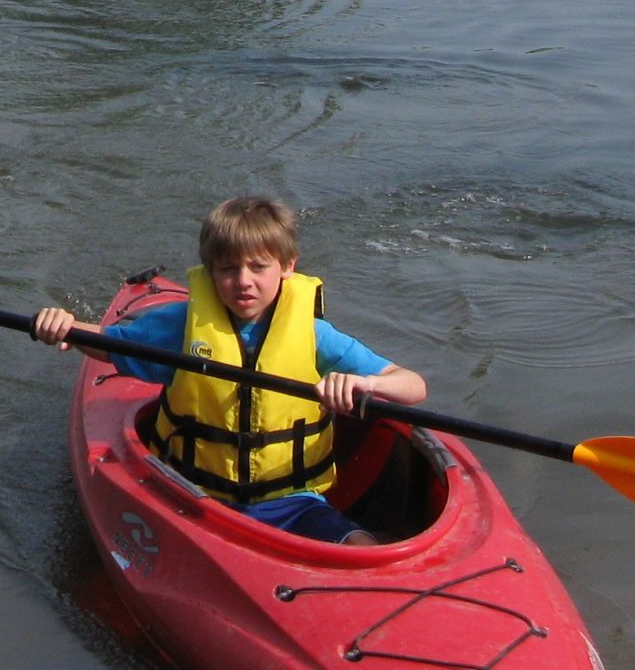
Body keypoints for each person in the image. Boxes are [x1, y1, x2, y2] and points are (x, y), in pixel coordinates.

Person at [30, 195, 427, 546]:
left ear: (288, 266)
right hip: (193, 495)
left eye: (258, 267)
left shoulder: (314, 335)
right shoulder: (181, 326)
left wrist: (364, 382)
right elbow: (106, 344)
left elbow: (413, 386)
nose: (243, 282)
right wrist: (63, 325)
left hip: (291, 502)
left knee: (363, 548)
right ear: (210, 270)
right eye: (228, 269)